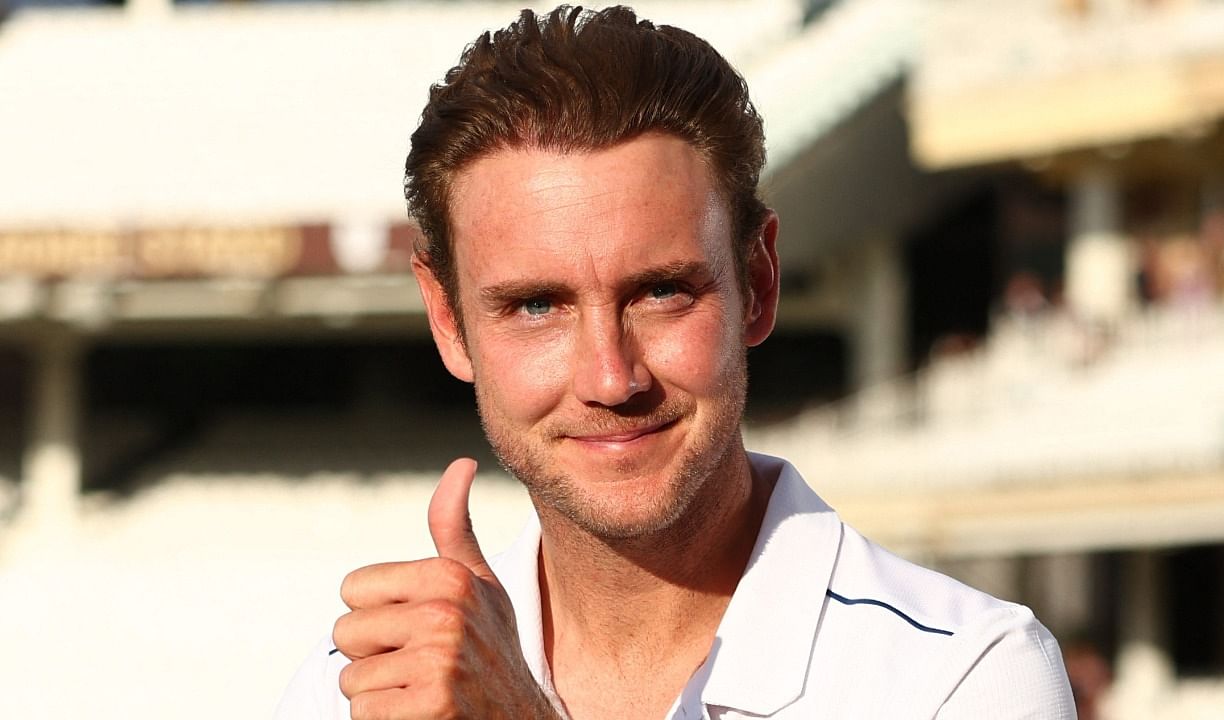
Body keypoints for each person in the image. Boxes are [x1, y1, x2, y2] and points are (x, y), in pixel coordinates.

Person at [276, 5, 1076, 719]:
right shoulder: (358, 690)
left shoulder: (964, 677)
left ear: (757, 283)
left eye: (661, 291)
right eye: (535, 306)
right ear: (448, 321)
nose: (611, 378)